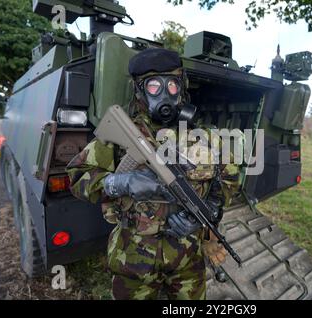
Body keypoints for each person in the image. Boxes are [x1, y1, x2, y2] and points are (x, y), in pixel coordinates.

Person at [66, 48, 241, 300]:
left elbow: (229, 178)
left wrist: (211, 209)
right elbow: (76, 175)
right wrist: (120, 182)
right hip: (132, 258)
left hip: (188, 260)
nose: (164, 93)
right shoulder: (121, 135)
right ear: (139, 90)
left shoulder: (206, 138)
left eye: (172, 85)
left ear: (182, 89)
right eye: (154, 86)